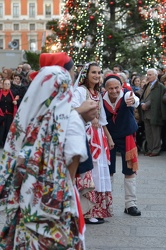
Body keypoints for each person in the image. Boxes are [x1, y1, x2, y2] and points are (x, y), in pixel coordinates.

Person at [0, 65, 89, 249]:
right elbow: (73, 163)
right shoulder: (70, 119)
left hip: (28, 195)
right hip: (57, 200)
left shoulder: (30, 118)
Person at [73, 62, 114, 224]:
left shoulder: (98, 92)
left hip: (98, 136)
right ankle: (87, 211)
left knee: (99, 170)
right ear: (86, 75)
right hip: (86, 134)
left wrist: (108, 138)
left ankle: (98, 209)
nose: (97, 75)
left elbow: (103, 120)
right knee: (90, 171)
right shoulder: (80, 91)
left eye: (99, 72)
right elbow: (72, 111)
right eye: (93, 72)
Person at [102, 74, 141, 216]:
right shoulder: (101, 98)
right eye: (110, 88)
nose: (114, 91)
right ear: (105, 89)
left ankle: (131, 204)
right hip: (109, 136)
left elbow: (135, 100)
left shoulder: (127, 95)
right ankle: (107, 204)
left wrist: (134, 100)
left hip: (126, 135)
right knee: (108, 171)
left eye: (116, 87)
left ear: (121, 86)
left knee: (129, 170)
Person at [139, 68, 166, 157]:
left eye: (150, 74)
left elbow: (157, 99)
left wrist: (147, 104)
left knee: (156, 133)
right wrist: (142, 103)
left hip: (155, 113)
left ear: (155, 75)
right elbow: (144, 96)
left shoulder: (160, 86)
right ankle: (150, 149)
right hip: (146, 113)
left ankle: (156, 149)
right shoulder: (147, 85)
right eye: (147, 74)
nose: (148, 76)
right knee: (148, 132)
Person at [0, 79, 19, 147]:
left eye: (8, 84)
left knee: (8, 128)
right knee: (1, 129)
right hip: (1, 114)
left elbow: (18, 99)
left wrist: (16, 102)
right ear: (3, 85)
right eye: (5, 84)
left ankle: (6, 143)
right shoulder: (0, 92)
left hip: (10, 114)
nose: (7, 85)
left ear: (10, 85)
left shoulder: (13, 93)